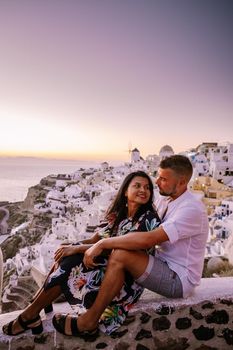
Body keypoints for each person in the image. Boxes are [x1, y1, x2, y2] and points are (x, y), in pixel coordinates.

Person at [50, 155, 209, 338]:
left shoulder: (191, 209)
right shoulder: (166, 200)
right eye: (158, 176)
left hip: (180, 279)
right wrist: (83, 245)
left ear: (181, 182)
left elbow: (149, 239)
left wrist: (102, 243)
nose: (156, 182)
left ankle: (89, 321)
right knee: (97, 251)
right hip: (162, 264)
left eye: (163, 179)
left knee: (120, 255)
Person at [2, 171, 160, 336]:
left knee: (72, 260)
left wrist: (76, 249)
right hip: (106, 267)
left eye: (147, 187)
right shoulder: (117, 214)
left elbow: (120, 251)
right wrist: (70, 246)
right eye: (137, 185)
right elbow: (94, 240)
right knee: (68, 253)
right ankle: (35, 307)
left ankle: (30, 314)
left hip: (122, 279)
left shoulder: (149, 218)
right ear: (126, 191)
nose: (143, 190)